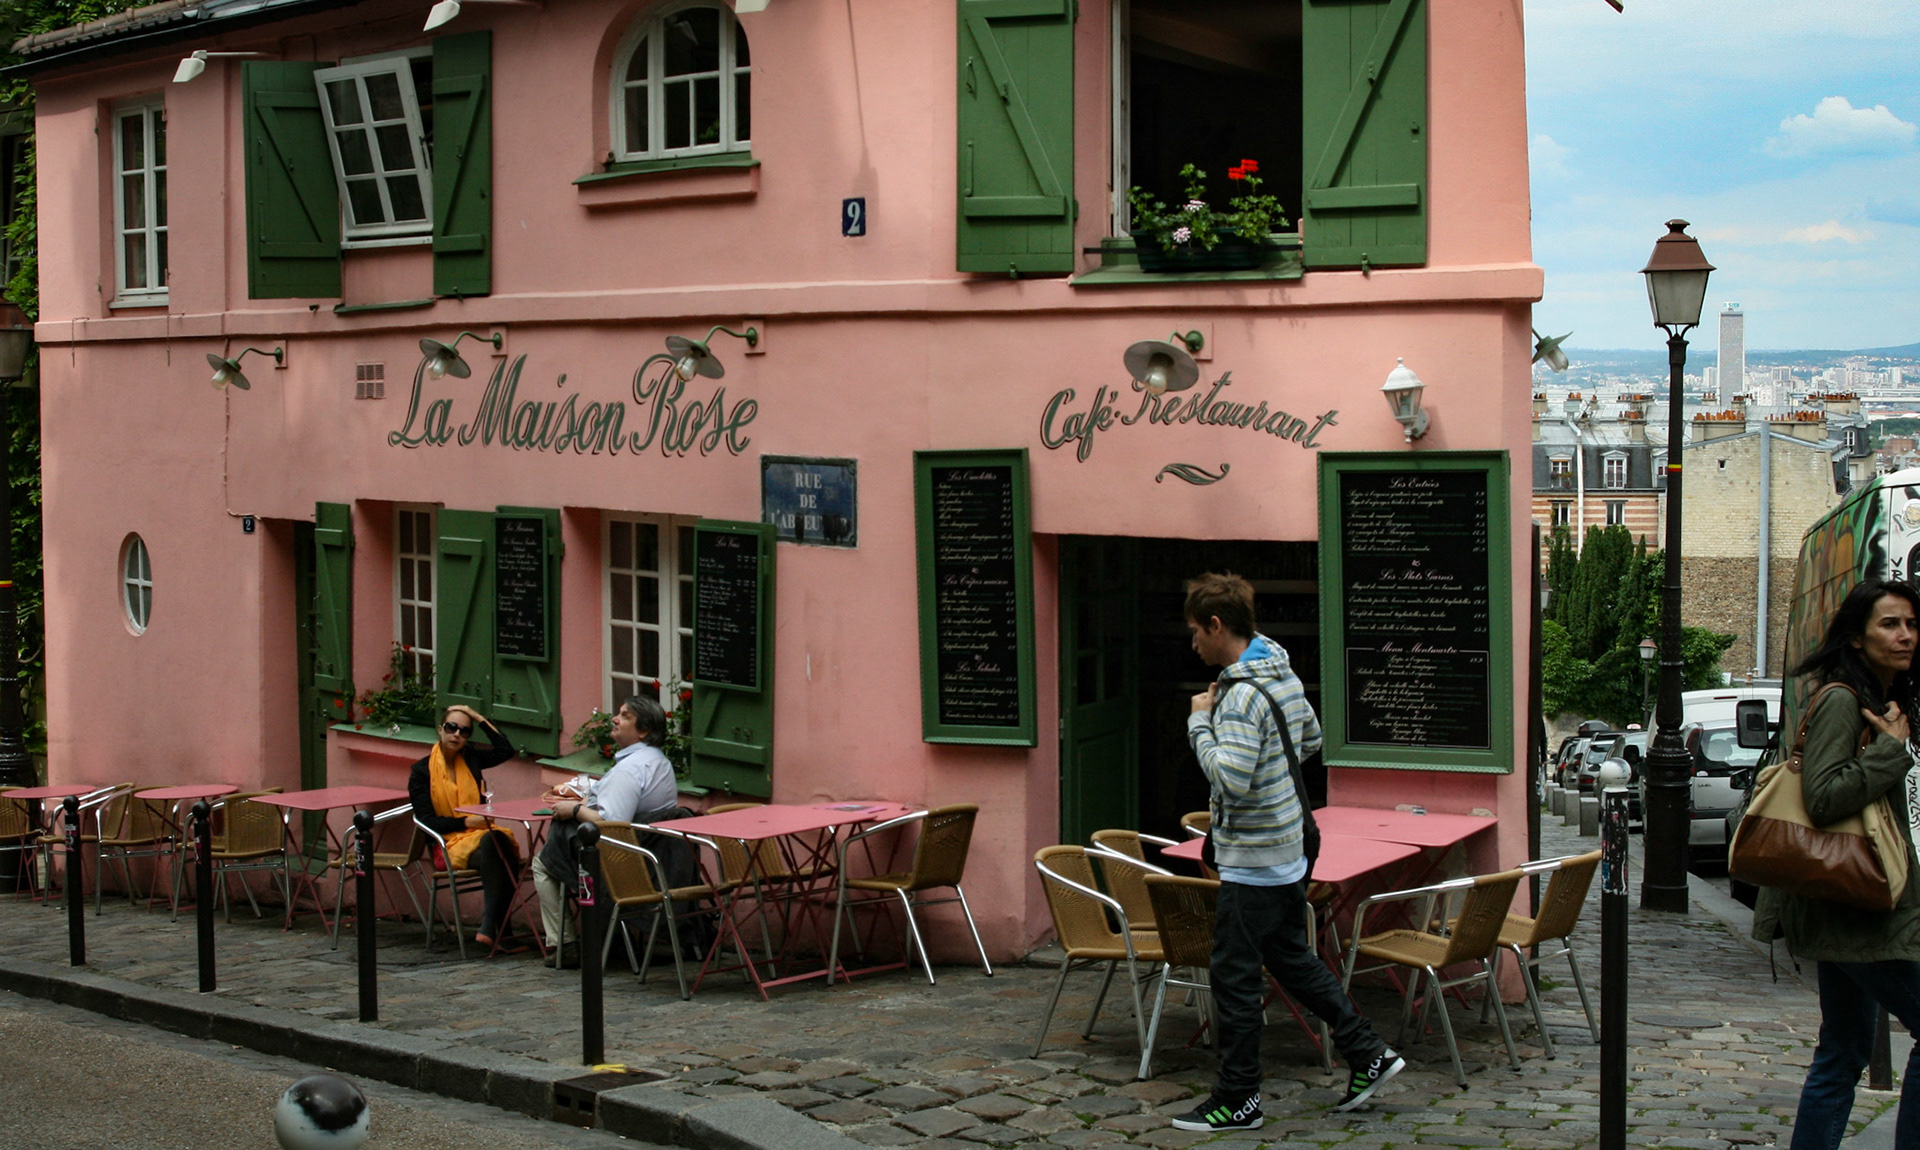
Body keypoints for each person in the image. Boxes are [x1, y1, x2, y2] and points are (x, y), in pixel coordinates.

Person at [1172, 572, 1402, 1133]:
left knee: (1233, 977)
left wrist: (1199, 723)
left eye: (1196, 631)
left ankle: (1238, 1098)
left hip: (1253, 859)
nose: (1193, 642)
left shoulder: (1236, 696)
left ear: (1217, 625)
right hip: (1288, 849)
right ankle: (1369, 1053)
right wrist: (1271, 775)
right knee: (1292, 959)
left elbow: (1230, 779)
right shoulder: (1283, 673)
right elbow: (1311, 739)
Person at [1755, 578, 1920, 1150]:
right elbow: (1823, 798)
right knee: (1848, 1048)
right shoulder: (1843, 700)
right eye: (1889, 624)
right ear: (1855, 636)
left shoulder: (1878, 698)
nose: (1905, 635)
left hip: (1844, 900)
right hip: (1852, 906)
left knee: (1844, 1049)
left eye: (1912, 624)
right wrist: (1889, 752)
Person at [532, 695, 679, 968]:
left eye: (625, 716)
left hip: (620, 861)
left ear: (643, 731)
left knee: (543, 862)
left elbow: (611, 827)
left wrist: (574, 810)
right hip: (651, 858)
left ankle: (563, 944)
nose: (614, 719)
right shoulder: (660, 762)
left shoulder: (630, 769)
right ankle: (605, 938)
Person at [407, 704, 526, 954]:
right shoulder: (421, 771)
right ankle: (501, 933)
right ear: (440, 729)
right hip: (445, 845)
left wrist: (478, 717)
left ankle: (490, 928)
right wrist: (464, 823)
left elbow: (505, 750)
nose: (457, 735)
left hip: (480, 839)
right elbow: (426, 821)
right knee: (501, 850)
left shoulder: (470, 758)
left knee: (497, 843)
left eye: (464, 731)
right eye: (451, 727)